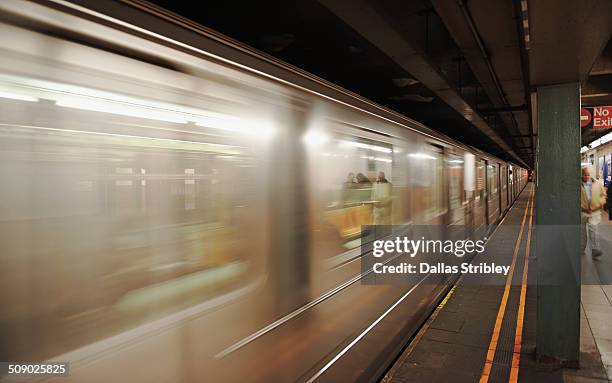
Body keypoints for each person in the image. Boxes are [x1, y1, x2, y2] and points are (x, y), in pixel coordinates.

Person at [581, 166, 606, 257]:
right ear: (581, 175)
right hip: (582, 211)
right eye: (584, 175)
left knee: (593, 229)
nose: (586, 177)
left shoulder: (597, 184)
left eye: (588, 175)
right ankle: (581, 248)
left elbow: (603, 195)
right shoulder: (577, 185)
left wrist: (600, 204)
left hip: (594, 211)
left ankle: (595, 249)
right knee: (581, 231)